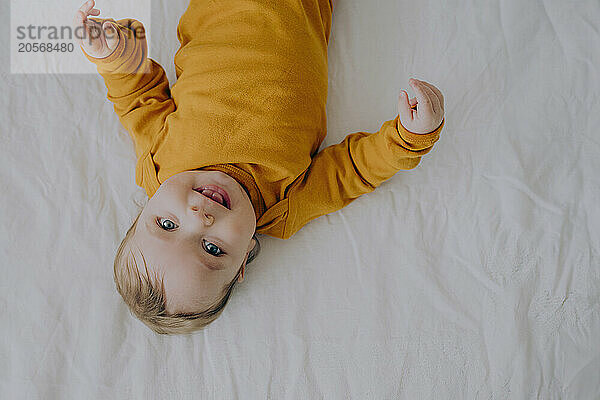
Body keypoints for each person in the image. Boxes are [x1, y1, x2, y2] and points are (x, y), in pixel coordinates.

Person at [73, 0, 445, 334]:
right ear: (244, 259)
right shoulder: (285, 206)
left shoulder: (160, 162)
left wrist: (115, 57)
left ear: (147, 207)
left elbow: (138, 98)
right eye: (213, 249)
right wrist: (408, 137)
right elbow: (352, 171)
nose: (200, 217)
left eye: (167, 224)